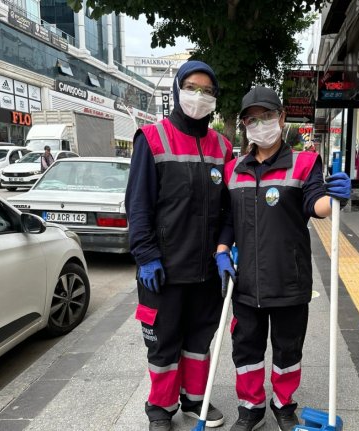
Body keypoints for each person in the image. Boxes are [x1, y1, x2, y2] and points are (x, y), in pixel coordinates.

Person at [217, 87, 351, 431]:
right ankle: (250, 408)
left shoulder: (304, 163)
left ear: (281, 118)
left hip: (289, 278)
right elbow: (227, 220)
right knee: (246, 350)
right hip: (246, 281)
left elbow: (316, 204)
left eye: (266, 116)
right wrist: (221, 251)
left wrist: (335, 198)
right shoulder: (233, 170)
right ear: (245, 125)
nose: (259, 124)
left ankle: (283, 403)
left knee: (288, 350)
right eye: (251, 119)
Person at [125, 60, 235, 431]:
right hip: (165, 271)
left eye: (207, 90)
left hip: (206, 271)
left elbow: (228, 210)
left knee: (200, 340)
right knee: (164, 345)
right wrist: (146, 256)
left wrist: (224, 250)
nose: (199, 96)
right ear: (176, 89)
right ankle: (160, 409)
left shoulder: (223, 146)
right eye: (192, 87)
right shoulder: (152, 138)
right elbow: (138, 205)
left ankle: (194, 399)